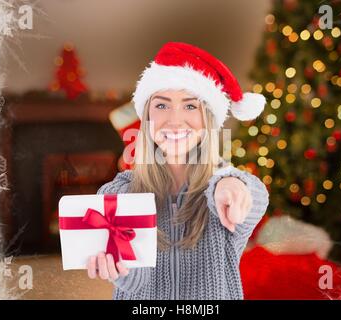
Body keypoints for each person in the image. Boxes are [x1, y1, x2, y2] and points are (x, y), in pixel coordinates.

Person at [87, 42, 269, 299]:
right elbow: (136, 284)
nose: (174, 120)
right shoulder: (121, 193)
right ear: (147, 117)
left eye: (190, 106)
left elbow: (254, 198)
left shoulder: (225, 196)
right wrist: (119, 270)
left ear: (207, 118)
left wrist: (231, 181)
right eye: (161, 105)